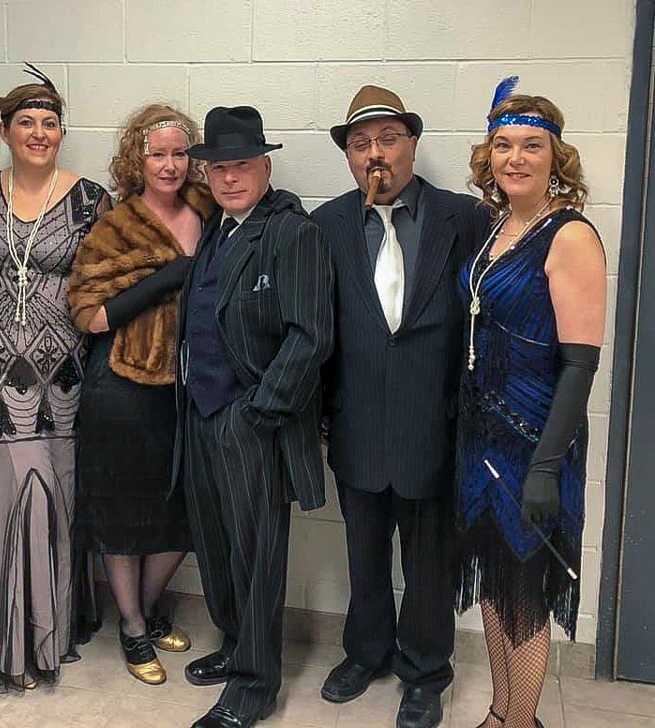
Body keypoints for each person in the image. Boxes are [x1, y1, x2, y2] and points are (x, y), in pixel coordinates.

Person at [314, 85, 490, 728]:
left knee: (428, 562)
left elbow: (484, 322)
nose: (375, 154)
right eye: (361, 144)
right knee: (363, 554)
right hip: (355, 422)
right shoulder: (326, 225)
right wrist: (320, 412)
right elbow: (318, 325)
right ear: (348, 156)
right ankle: (366, 653)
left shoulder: (463, 219)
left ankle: (425, 671)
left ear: (413, 144)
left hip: (433, 424)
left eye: (388, 139)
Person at [176, 106, 333, 728]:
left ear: (265, 167)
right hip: (201, 412)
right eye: (218, 167)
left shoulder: (292, 233)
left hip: (251, 419)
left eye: (241, 165)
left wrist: (258, 411)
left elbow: (310, 336)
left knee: (257, 554)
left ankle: (254, 686)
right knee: (216, 546)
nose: (229, 177)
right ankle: (237, 644)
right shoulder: (217, 229)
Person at [455, 79, 605, 728]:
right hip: (480, 436)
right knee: (495, 584)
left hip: (535, 438)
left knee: (524, 594)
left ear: (555, 157)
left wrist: (546, 466)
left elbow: (580, 363)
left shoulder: (568, 235)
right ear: (488, 155)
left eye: (531, 146)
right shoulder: (499, 228)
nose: (515, 157)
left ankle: (521, 723)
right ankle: (501, 714)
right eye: (503, 145)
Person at [0, 65, 111, 692]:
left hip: (67, 372)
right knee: (13, 493)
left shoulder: (91, 200)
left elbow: (107, 285)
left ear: (61, 134)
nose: (39, 132)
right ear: (4, 131)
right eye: (26, 122)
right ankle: (15, 643)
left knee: (59, 493)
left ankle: (55, 625)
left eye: (50, 123)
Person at [67, 104, 212, 685]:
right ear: (137, 160)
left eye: (180, 153)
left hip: (191, 391)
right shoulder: (116, 226)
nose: (170, 165)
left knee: (183, 513)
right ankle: (131, 626)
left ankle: (147, 610)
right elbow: (90, 316)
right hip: (122, 390)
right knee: (122, 514)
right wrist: (166, 278)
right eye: (158, 154)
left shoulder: (210, 210)